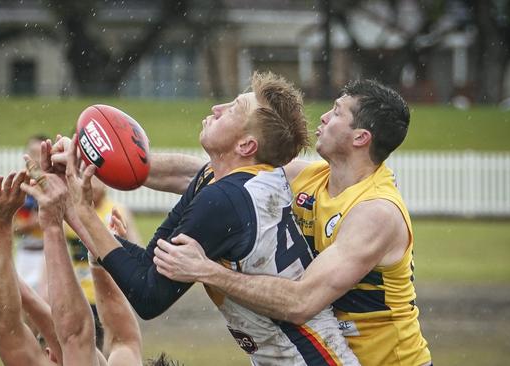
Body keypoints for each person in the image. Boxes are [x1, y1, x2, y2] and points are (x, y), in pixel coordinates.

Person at [56, 71, 359, 365]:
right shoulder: (218, 180)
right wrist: (89, 206)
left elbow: (149, 297)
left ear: (246, 146)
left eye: (233, 109)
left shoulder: (225, 200)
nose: (217, 108)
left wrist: (81, 211)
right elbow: (153, 264)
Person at [152, 79, 432, 366]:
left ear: (360, 138)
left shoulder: (375, 212)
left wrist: (207, 271)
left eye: (336, 112)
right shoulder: (309, 178)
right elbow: (197, 176)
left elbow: (301, 303)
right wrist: (119, 164)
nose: (323, 117)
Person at [0, 170, 146, 366]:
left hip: (87, 302)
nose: (48, 349)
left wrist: (0, 222)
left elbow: (3, 325)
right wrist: (99, 257)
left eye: (45, 344)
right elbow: (118, 340)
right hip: (83, 300)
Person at [64, 174, 141, 351]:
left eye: (98, 180)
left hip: (112, 292)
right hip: (80, 294)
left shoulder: (118, 211)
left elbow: (137, 248)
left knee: (113, 346)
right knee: (83, 349)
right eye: (89, 180)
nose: (94, 186)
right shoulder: (72, 214)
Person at [14, 135, 48, 295]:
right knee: (23, 304)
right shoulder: (20, 188)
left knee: (45, 304)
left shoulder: (56, 186)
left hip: (47, 254)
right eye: (32, 153)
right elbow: (12, 228)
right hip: (24, 253)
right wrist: (31, 224)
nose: (35, 159)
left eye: (39, 153)